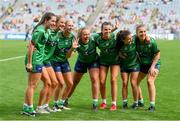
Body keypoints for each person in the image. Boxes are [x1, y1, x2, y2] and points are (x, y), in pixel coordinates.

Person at [22, 12, 57, 116]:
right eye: (52, 21)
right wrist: (29, 62)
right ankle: (29, 108)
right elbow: (31, 46)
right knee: (32, 85)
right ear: (46, 20)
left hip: (39, 60)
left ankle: (26, 106)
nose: (54, 23)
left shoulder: (45, 30)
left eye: (55, 21)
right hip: (35, 60)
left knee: (37, 84)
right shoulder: (40, 30)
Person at [66, 27, 100, 110]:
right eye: (84, 34)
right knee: (74, 82)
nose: (87, 36)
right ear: (80, 36)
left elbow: (104, 33)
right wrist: (72, 48)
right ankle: (65, 99)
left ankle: (95, 103)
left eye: (88, 34)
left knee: (94, 79)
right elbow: (68, 56)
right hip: (81, 62)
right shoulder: (77, 42)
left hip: (93, 61)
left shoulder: (94, 37)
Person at [51, 20, 78, 110]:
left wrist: (72, 49)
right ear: (65, 26)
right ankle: (55, 104)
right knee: (61, 83)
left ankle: (61, 103)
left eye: (72, 25)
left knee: (70, 83)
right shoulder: (57, 35)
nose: (70, 27)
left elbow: (68, 56)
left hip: (64, 61)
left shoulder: (72, 37)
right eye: (69, 25)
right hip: (55, 61)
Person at [93, 22, 119, 111]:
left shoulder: (116, 37)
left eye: (109, 29)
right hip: (103, 61)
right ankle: (104, 102)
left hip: (115, 61)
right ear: (102, 30)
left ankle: (114, 103)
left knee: (113, 80)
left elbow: (126, 40)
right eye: (105, 29)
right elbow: (89, 36)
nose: (107, 31)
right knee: (102, 81)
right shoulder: (98, 38)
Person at [135, 24, 161, 112]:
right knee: (135, 82)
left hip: (154, 64)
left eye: (144, 31)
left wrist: (153, 67)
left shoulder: (151, 42)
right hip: (143, 65)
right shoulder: (134, 39)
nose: (143, 33)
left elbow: (157, 54)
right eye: (141, 32)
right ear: (136, 33)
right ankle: (140, 101)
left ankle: (152, 106)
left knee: (150, 81)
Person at [116, 30, 139, 109]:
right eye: (128, 39)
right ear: (123, 40)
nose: (131, 39)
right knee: (125, 83)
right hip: (124, 66)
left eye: (131, 38)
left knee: (133, 83)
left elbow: (141, 35)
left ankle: (136, 103)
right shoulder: (119, 45)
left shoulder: (134, 40)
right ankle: (124, 103)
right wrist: (120, 55)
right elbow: (117, 52)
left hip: (135, 65)